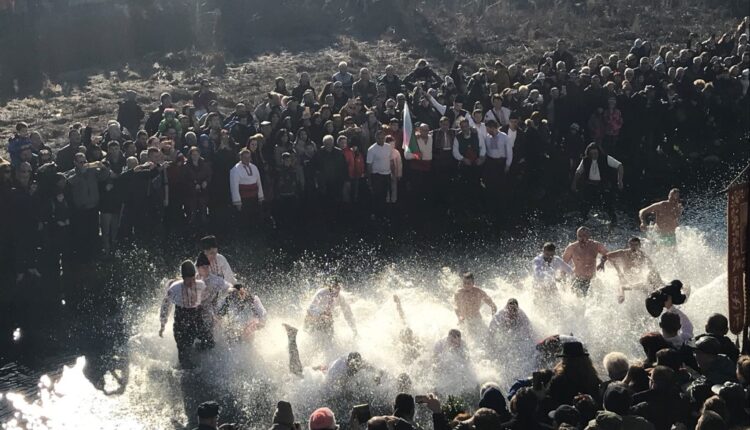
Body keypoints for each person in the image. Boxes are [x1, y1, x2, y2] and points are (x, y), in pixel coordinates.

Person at [159, 260, 208, 369]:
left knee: (209, 343)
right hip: (181, 318)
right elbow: (166, 305)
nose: (191, 283)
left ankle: (196, 351)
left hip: (196, 316)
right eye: (188, 280)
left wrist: (213, 315)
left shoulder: (200, 285)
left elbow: (207, 300)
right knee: (183, 353)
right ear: (183, 278)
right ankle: (184, 369)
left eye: (193, 279)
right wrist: (163, 324)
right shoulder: (175, 288)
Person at [572, 143, 623, 226]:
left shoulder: (605, 158)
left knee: (608, 205)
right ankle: (583, 221)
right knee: (585, 204)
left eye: (595, 153)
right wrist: (574, 183)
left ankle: (613, 222)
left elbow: (619, 166)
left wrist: (620, 180)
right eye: (592, 154)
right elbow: (578, 172)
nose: (594, 155)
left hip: (603, 184)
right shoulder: (585, 160)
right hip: (590, 185)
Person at [606, 237, 663, 302]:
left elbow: (652, 267)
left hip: (638, 280)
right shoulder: (623, 253)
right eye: (631, 245)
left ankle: (655, 300)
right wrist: (618, 271)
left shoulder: (643, 256)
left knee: (649, 281)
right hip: (626, 278)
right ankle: (621, 296)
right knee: (621, 284)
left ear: (639, 245)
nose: (634, 247)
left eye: (636, 245)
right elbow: (607, 256)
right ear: (629, 245)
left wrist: (656, 279)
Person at [195, 252, 232, 349]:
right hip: (195, 312)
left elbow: (227, 286)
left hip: (209, 310)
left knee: (210, 341)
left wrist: (232, 289)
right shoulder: (192, 280)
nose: (206, 269)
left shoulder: (214, 279)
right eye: (203, 267)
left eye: (207, 267)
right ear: (198, 268)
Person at [562, 227, 609, 297]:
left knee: (594, 300)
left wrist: (602, 263)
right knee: (579, 300)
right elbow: (563, 264)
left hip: (592, 280)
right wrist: (563, 279)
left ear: (589, 236)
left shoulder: (595, 245)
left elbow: (608, 254)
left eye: (584, 235)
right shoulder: (571, 248)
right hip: (578, 279)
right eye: (579, 236)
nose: (581, 238)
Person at [453, 272, 497, 337]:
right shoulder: (459, 293)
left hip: (476, 319)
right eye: (464, 283)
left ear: (473, 283)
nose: (466, 285)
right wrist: (459, 316)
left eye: (468, 283)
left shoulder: (478, 292)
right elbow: (455, 306)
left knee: (487, 336)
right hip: (464, 320)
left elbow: (492, 305)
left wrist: (493, 316)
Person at [230, 148, 265, 226]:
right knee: (245, 220)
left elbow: (258, 182)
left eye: (248, 157)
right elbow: (234, 187)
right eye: (245, 157)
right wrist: (237, 202)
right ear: (241, 157)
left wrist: (260, 196)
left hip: (254, 198)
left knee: (255, 218)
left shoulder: (254, 167)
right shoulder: (235, 169)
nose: (247, 159)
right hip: (244, 199)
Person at [367, 130, 393, 216]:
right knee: (377, 195)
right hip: (377, 176)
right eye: (379, 138)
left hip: (387, 174)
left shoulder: (389, 147)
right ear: (376, 138)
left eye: (382, 138)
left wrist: (393, 173)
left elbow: (391, 161)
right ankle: (376, 213)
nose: (381, 140)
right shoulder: (371, 149)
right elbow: (369, 165)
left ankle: (384, 213)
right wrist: (369, 179)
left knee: (385, 195)